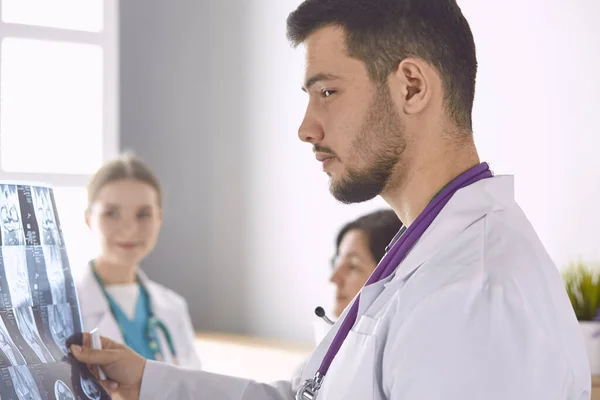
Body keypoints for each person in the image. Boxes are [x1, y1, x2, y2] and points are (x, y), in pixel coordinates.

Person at [70, 0, 591, 399]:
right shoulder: (422, 254)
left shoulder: (475, 293)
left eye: (326, 92)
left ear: (411, 86)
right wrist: (147, 382)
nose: (305, 127)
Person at [76, 153, 202, 369]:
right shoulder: (67, 307)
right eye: (112, 213)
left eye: (143, 214)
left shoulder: (174, 308)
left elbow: (194, 388)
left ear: (159, 219)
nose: (130, 229)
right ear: (89, 219)